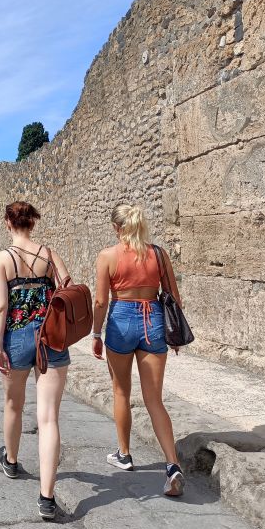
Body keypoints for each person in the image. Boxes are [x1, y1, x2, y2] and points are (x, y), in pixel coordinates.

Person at [90, 203, 184, 497]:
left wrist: (95, 332)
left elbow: (101, 302)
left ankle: (125, 454)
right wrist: (175, 334)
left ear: (117, 228)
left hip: (121, 320)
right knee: (154, 400)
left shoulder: (107, 256)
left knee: (121, 391)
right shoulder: (158, 254)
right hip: (153, 320)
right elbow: (173, 296)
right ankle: (172, 466)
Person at [0, 201, 70, 521]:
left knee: (13, 404)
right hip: (51, 335)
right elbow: (67, 286)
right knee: (49, 417)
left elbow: (0, 307)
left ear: (8, 223)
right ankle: (47, 498)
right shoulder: (49, 254)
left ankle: (10, 460)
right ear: (32, 224)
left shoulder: (1, 259)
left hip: (18, 336)